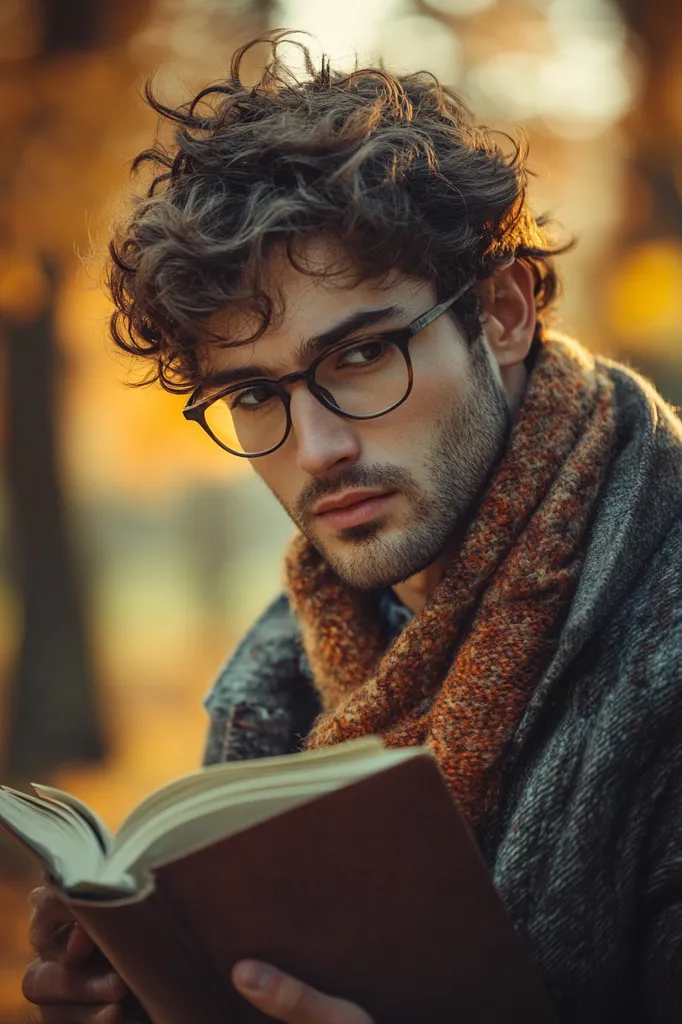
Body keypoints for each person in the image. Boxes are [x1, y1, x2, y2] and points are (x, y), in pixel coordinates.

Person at [22, 30, 682, 1024]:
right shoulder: (273, 685)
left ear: (501, 315)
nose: (317, 447)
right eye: (252, 394)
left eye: (364, 354)